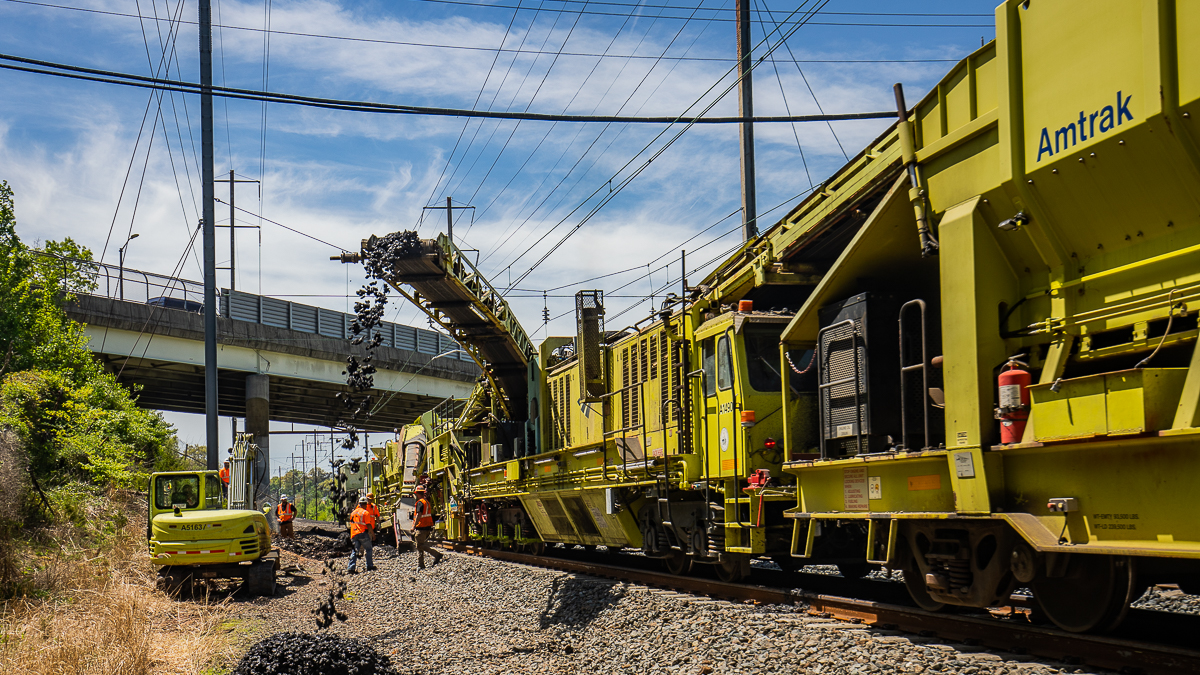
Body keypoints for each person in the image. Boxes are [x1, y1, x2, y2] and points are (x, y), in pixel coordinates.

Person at [411, 485, 443, 569]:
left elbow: (419, 515)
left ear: (417, 494)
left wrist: (413, 526)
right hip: (427, 527)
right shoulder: (427, 502)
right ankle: (420, 565)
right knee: (420, 546)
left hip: (421, 527)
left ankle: (437, 554)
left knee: (419, 546)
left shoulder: (419, 503)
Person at [347, 495, 376, 574]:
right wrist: (373, 534)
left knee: (355, 551)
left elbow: (351, 524)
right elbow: (368, 525)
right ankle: (369, 566)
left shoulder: (353, 513)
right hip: (363, 534)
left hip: (354, 534)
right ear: (364, 504)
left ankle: (351, 568)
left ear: (359, 503)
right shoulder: (365, 513)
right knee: (369, 549)